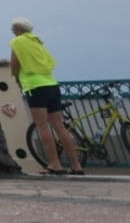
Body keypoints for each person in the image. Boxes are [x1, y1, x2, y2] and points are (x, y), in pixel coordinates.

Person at [10, 17, 85, 176]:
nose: (12, 31)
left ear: (17, 29)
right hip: (51, 84)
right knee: (60, 126)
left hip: (34, 86)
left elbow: (15, 64)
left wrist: (17, 79)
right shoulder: (37, 42)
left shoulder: (18, 42)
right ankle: (76, 165)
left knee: (42, 124)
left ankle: (55, 164)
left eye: (13, 28)